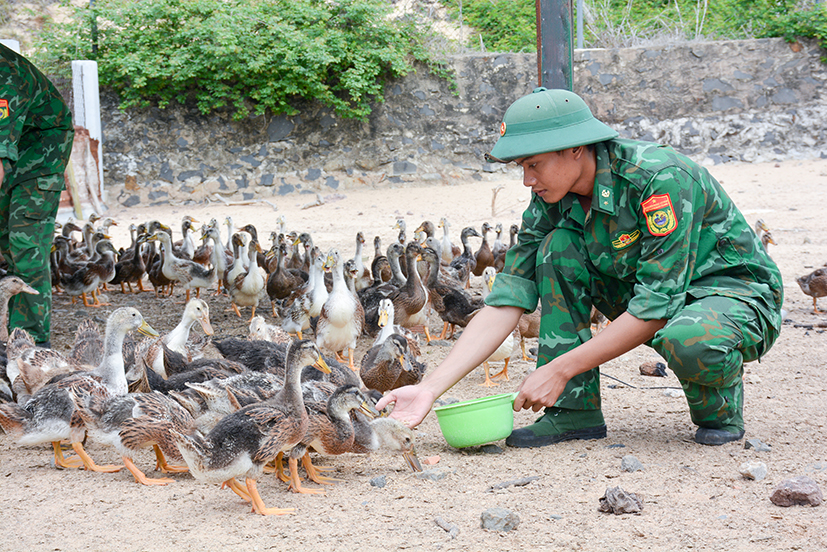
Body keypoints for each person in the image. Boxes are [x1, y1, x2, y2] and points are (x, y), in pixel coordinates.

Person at [376, 87, 783, 447]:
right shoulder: (553, 197)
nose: (526, 180)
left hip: (732, 294)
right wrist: (429, 388)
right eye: (521, 167)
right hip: (653, 292)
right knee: (559, 247)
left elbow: (656, 305)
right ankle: (575, 411)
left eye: (533, 164)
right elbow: (508, 299)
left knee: (690, 339)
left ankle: (719, 403)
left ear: (576, 148)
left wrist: (558, 368)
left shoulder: (658, 179)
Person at [0, 44, 74, 347]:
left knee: (24, 242)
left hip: (41, 153)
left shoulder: (5, 76)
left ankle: (28, 343)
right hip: (13, 150)